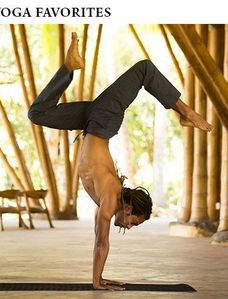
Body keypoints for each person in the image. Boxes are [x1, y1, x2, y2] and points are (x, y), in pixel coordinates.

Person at [28, 32, 213, 291]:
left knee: (37, 113)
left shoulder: (107, 199)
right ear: (129, 209)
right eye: (133, 221)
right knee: (143, 70)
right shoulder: (111, 200)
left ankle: (69, 67)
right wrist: (97, 281)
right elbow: (102, 242)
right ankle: (186, 111)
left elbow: (98, 237)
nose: (128, 226)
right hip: (103, 119)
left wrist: (99, 276)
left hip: (91, 121)